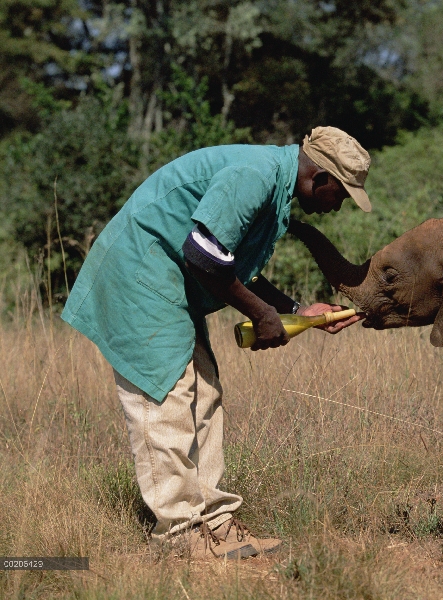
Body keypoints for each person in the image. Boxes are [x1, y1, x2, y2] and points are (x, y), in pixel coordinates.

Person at [61, 126, 368, 559]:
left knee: (204, 393)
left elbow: (233, 264)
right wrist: (262, 315)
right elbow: (203, 255)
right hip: (141, 276)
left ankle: (216, 526)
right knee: (166, 396)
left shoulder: (275, 187)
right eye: (342, 194)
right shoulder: (255, 175)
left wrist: (295, 310)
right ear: (320, 179)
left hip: (171, 283)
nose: (338, 207)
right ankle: (180, 536)